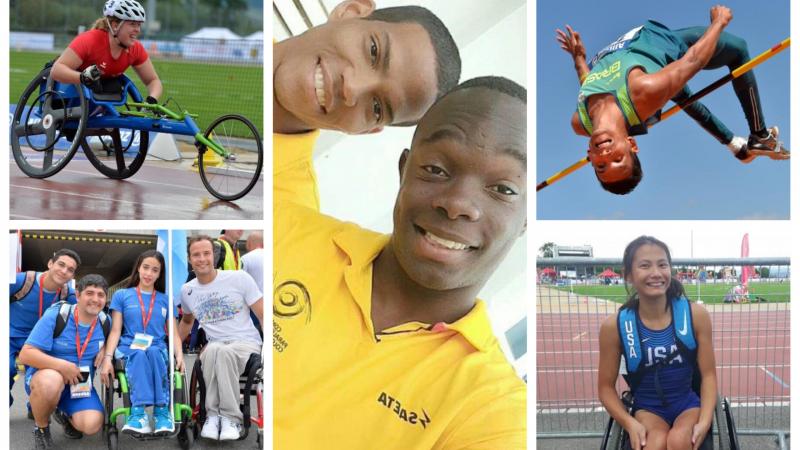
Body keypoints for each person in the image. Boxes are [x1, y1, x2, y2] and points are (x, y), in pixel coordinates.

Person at [274, 76, 527, 448]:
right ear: (404, 170)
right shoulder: (289, 231)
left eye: (503, 189)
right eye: (437, 169)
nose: (457, 203)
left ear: (527, 220)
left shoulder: (493, 408)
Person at [557, 5, 787, 195]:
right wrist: (719, 22)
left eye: (601, 166)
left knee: (683, 96)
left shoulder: (580, 122)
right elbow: (693, 60)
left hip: (638, 44)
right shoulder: (643, 91)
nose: (606, 156)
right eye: (618, 158)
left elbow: (587, 86)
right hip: (666, 45)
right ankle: (759, 134)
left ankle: (736, 146)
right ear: (631, 144)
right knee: (738, 50)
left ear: (590, 157)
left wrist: (578, 59)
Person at [598, 236, 716, 450]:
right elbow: (605, 388)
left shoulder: (695, 315)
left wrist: (705, 421)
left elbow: (708, 375)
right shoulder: (614, 326)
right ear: (628, 275)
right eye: (645, 266)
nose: (656, 273)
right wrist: (629, 423)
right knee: (654, 444)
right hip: (647, 409)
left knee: (680, 441)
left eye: (662, 265)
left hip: (687, 404)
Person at [178, 236, 263, 441]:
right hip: (215, 345)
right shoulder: (188, 290)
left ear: (213, 255)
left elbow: (263, 314)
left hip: (245, 343)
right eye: (196, 255)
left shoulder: (239, 278)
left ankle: (229, 417)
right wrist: (172, 347)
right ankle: (213, 416)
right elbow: (187, 322)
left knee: (220, 351)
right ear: (190, 259)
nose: (202, 259)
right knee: (214, 349)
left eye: (206, 253)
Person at [19, 274, 111, 450]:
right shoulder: (57, 315)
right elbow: (25, 355)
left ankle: (61, 411)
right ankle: (41, 428)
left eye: (101, 295)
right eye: (89, 293)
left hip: (80, 384)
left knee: (92, 424)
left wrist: (105, 349)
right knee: (52, 381)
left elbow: (114, 339)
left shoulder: (104, 321)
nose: (95, 299)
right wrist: (63, 366)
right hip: (46, 378)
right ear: (77, 295)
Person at [99, 250, 184, 436]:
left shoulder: (166, 299)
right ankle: (138, 415)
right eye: (146, 267)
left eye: (155, 270)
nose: (149, 273)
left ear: (160, 274)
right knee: (138, 354)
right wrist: (107, 358)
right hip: (129, 347)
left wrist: (179, 355)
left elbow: (174, 334)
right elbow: (115, 330)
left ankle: (162, 413)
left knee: (153, 353)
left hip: (157, 347)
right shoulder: (122, 295)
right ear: (138, 267)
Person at [51, 0, 162, 104]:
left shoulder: (136, 48)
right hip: (66, 93)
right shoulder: (90, 40)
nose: (138, 29)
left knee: (113, 86)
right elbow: (56, 70)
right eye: (132, 24)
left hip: (98, 90)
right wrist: (83, 78)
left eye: (139, 25)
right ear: (115, 25)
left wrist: (152, 99)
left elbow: (153, 80)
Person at [10, 249, 80, 408]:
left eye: (70, 270)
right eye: (61, 264)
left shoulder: (68, 294)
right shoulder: (22, 281)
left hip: (40, 341)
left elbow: (79, 317)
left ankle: (34, 407)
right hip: (10, 336)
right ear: (50, 263)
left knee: (40, 376)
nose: (64, 271)